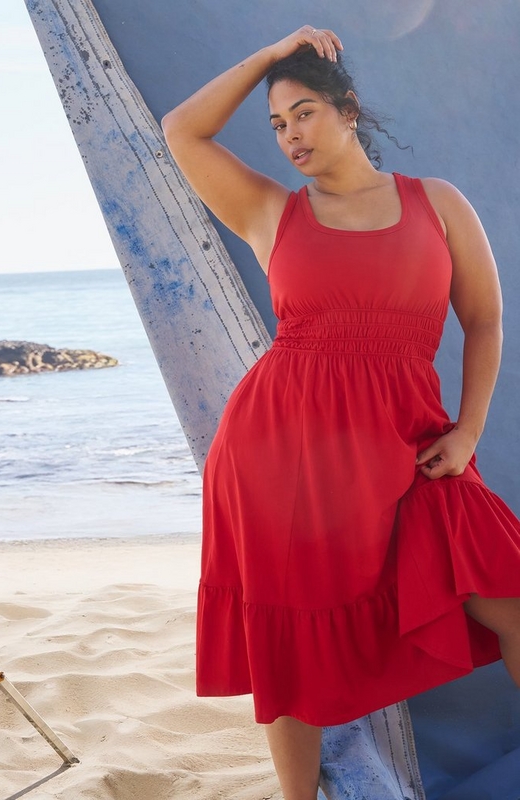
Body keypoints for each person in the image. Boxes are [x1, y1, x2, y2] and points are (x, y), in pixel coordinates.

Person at [162, 26, 520, 800]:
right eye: (277, 124)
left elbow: (485, 321)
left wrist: (468, 431)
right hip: (278, 462)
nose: (290, 135)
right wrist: (266, 56)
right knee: (285, 640)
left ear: (348, 109)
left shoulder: (439, 205)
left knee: (510, 591)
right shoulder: (271, 214)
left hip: (411, 446)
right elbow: (181, 131)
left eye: (304, 114)